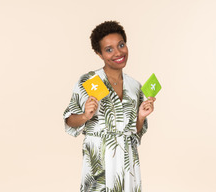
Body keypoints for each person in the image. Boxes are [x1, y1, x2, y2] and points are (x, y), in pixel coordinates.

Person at [63, 21, 156, 192]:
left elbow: (134, 132)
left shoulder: (135, 86)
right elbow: (69, 121)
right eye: (109, 49)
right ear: (99, 54)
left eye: (121, 45)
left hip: (127, 160)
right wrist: (85, 116)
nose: (118, 52)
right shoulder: (89, 81)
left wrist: (141, 116)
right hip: (99, 159)